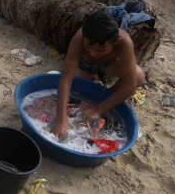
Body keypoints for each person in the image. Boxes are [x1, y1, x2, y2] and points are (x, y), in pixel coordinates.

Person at [50, 11, 145, 139]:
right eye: (88, 47)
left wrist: (98, 110)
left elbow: (130, 87)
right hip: (84, 64)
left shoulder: (124, 43)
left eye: (100, 50)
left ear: (116, 42)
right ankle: (96, 89)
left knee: (139, 76)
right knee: (76, 93)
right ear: (84, 37)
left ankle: (104, 97)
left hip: (108, 64)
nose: (94, 54)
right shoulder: (78, 39)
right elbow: (66, 79)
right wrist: (60, 121)